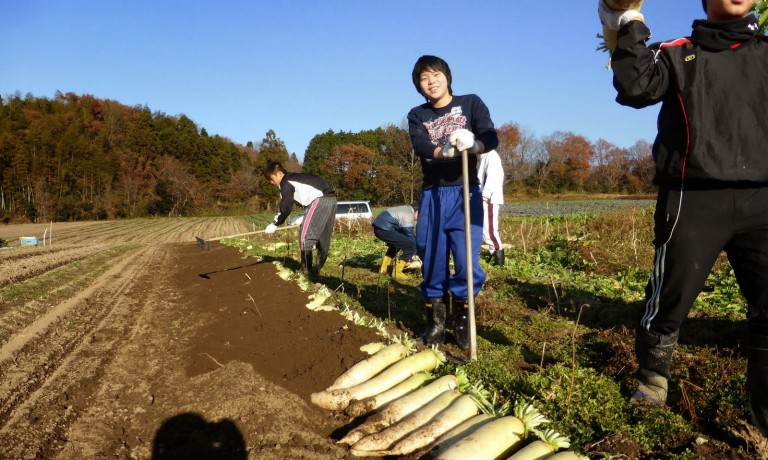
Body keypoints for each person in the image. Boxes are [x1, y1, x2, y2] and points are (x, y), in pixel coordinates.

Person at [600, 0, 768, 435]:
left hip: (763, 201)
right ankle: (653, 378)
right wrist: (627, 22)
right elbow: (635, 88)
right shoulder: (678, 52)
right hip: (693, 198)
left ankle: (763, 412)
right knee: (670, 298)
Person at [407, 55, 499, 349]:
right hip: (433, 193)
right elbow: (420, 144)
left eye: (435, 74)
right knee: (432, 257)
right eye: (424, 78)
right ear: (419, 86)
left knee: (466, 259)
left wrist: (476, 145)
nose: (431, 81)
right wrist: (441, 153)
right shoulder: (417, 114)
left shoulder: (470, 103)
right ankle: (435, 322)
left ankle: (462, 320)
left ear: (447, 76)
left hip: (464, 191)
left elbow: (490, 135)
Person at [263, 162, 337, 277]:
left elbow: (286, 206)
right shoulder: (296, 178)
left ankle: (306, 270)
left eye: (271, 179)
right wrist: (304, 214)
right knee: (323, 236)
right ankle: (317, 268)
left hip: (319, 200)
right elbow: (307, 196)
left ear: (279, 174)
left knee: (305, 237)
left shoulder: (285, 182)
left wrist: (275, 223)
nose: (271, 183)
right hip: (331, 198)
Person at [372, 205, 421, 277]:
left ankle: (383, 269)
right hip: (385, 229)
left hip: (380, 228)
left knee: (397, 245)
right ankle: (397, 273)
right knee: (412, 245)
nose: (417, 219)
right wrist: (417, 250)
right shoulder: (408, 214)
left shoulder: (406, 209)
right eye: (419, 216)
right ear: (417, 211)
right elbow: (409, 233)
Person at [477, 149, 505, 266]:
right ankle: (493, 254)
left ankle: (499, 261)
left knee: (490, 231)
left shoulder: (491, 156)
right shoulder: (484, 157)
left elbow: (492, 177)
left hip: (489, 198)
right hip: (485, 197)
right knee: (483, 230)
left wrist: (486, 195)